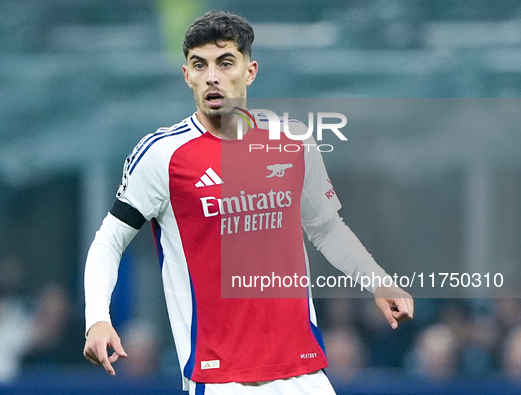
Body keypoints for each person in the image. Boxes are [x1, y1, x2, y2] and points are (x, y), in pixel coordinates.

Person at [83, 10, 414, 394]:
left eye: (225, 63)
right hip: (221, 381)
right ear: (186, 75)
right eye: (199, 65)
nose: (212, 76)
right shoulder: (163, 155)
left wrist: (377, 281)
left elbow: (326, 228)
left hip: (305, 375)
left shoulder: (292, 141)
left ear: (250, 71)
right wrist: (97, 319)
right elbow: (108, 241)